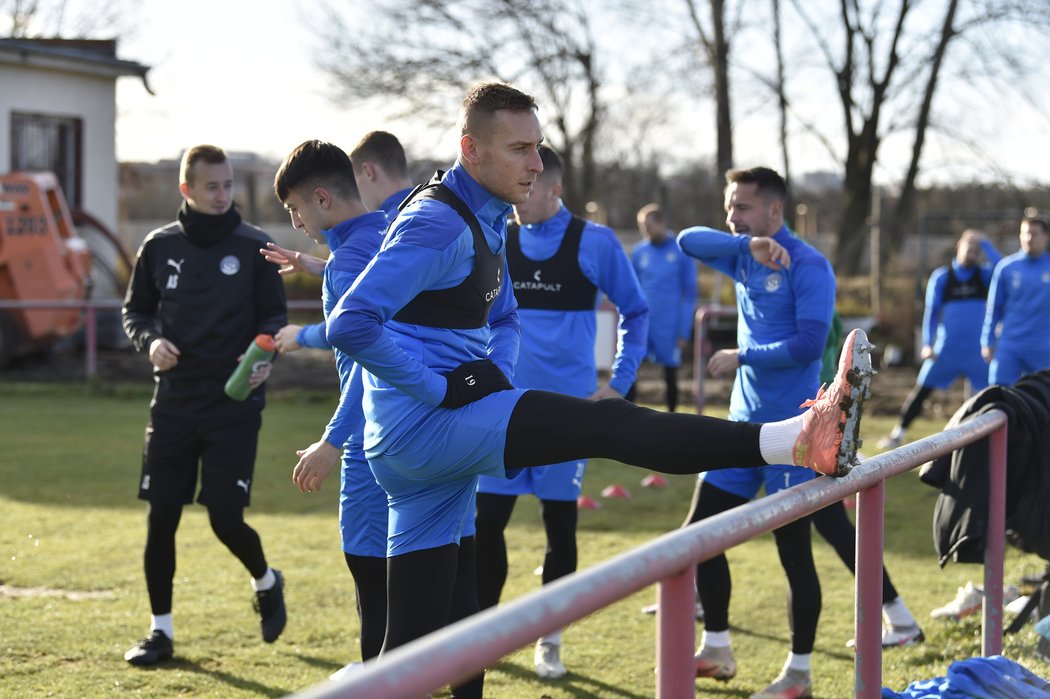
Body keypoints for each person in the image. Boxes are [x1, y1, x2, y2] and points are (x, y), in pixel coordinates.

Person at [324, 82, 872, 699]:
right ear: (469, 148)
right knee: (608, 424)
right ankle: (798, 438)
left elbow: (503, 318)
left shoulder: (487, 215)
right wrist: (438, 387)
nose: (535, 163)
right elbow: (350, 322)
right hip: (424, 432)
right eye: (519, 149)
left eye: (538, 148)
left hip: (423, 448)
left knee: (426, 638)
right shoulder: (433, 222)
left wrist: (489, 374)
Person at [473, 145, 650, 680]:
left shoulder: (595, 243)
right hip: (502, 412)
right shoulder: (497, 236)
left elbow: (636, 311)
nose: (520, 200)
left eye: (531, 190)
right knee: (487, 528)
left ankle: (549, 639)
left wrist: (618, 383)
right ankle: (483, 637)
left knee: (560, 527)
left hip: (568, 416)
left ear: (555, 190)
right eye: (517, 188)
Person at [121, 144, 289, 666]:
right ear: (186, 189)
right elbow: (136, 312)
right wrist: (149, 341)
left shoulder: (255, 247)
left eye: (228, 184)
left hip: (233, 404)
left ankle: (266, 580)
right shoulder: (158, 246)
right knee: (162, 518)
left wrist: (261, 352)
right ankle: (161, 632)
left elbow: (273, 321)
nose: (222, 195)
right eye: (211, 186)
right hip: (172, 402)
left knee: (224, 518)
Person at [676, 167, 836, 699]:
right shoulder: (742, 251)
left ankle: (799, 673)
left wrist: (743, 354)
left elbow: (810, 345)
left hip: (793, 434)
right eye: (729, 205)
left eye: (743, 207)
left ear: (775, 209)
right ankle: (717, 647)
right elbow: (686, 240)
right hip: (741, 430)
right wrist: (751, 240)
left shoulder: (810, 265)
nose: (732, 216)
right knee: (698, 538)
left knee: (794, 555)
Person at [270, 140, 390, 674]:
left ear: (322, 198)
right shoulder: (389, 232)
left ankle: (381, 678)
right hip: (423, 428)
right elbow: (365, 281)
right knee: (422, 571)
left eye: (295, 209)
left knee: (369, 570)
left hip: (373, 438)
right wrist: (310, 262)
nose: (295, 222)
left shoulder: (347, 260)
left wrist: (331, 442)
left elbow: (369, 360)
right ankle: (415, 672)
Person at [813, 312, 924, 649]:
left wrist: (741, 356)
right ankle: (900, 617)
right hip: (790, 420)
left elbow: (808, 355)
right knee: (828, 525)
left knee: (825, 525)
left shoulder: (811, 298)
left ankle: (798, 666)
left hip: (802, 423)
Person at [878, 229, 1001, 449]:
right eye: (968, 247)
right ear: (958, 247)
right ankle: (898, 434)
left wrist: (986, 244)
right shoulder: (942, 277)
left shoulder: (984, 276)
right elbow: (931, 313)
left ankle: (986, 442)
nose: (972, 253)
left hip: (978, 351)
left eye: (977, 250)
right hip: (947, 350)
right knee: (922, 389)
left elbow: (1002, 269)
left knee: (991, 396)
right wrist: (927, 344)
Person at [628, 204, 698, 411]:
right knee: (631, 368)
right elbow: (632, 289)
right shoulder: (640, 251)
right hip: (642, 322)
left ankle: (672, 418)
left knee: (670, 374)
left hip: (669, 324)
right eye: (642, 227)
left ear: (662, 224)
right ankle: (627, 416)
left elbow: (689, 293)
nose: (645, 231)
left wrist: (684, 329)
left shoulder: (680, 251)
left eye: (649, 225)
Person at [981, 217, 1050, 386]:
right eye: (1025, 233)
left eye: (1034, 234)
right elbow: (994, 308)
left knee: (1043, 397)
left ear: (1046, 236)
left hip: (1044, 347)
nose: (1029, 238)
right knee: (998, 391)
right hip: (1010, 344)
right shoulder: (1006, 268)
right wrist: (986, 340)